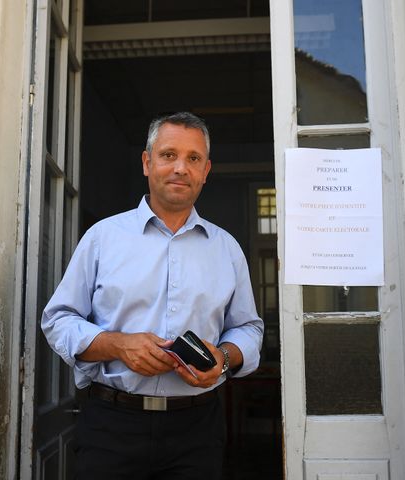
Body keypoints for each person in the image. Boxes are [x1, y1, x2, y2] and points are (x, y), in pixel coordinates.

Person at [41, 112, 264, 479]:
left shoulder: (227, 248)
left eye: (193, 159)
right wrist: (117, 345)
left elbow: (249, 329)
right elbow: (58, 319)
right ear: (147, 163)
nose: (180, 168)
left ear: (206, 170)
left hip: (197, 430)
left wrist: (223, 358)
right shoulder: (102, 238)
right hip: (112, 427)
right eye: (168, 155)